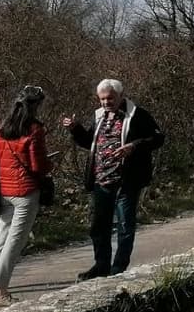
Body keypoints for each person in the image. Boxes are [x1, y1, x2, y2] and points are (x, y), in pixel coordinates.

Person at [62, 79, 164, 279]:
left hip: (127, 179)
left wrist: (134, 146)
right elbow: (89, 142)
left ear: (120, 96)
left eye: (110, 98)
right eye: (102, 99)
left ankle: (118, 268)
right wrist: (75, 128)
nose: (106, 102)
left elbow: (158, 138)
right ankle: (101, 265)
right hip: (102, 179)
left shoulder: (137, 115)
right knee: (99, 227)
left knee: (125, 226)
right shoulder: (100, 116)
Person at [0, 85, 52, 308]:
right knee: (15, 241)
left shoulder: (2, 129)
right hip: (25, 190)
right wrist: (50, 164)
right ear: (36, 106)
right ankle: (0, 291)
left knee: (2, 237)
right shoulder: (34, 130)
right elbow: (38, 165)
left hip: (4, 189)